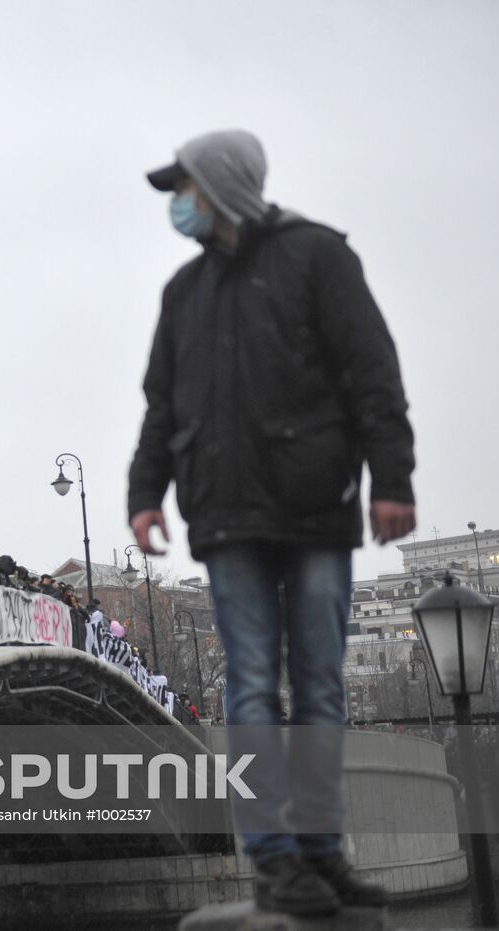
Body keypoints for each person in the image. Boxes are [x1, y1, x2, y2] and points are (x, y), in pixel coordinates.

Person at [129, 130, 414, 916]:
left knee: (319, 680)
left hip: (316, 506)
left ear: (219, 186)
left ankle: (321, 853)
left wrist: (393, 478)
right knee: (250, 682)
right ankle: (273, 860)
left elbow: (372, 372)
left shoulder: (318, 258)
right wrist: (144, 493)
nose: (176, 205)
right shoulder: (183, 295)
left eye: (182, 188)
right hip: (226, 518)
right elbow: (163, 403)